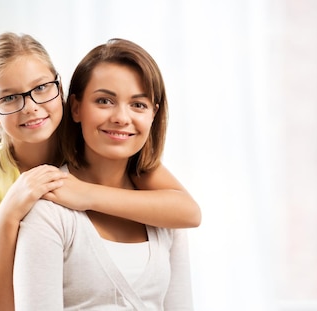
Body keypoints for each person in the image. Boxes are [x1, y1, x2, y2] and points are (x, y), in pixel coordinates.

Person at [0, 32, 200, 311]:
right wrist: (8, 216)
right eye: (9, 98)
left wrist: (86, 194)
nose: (31, 108)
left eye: (41, 88)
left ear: (60, 87)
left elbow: (187, 211)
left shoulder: (95, 131)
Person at [13, 38, 193, 310]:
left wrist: (88, 195)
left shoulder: (164, 213)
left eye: (138, 105)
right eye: (104, 100)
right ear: (75, 108)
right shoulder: (49, 212)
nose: (122, 117)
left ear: (154, 115)